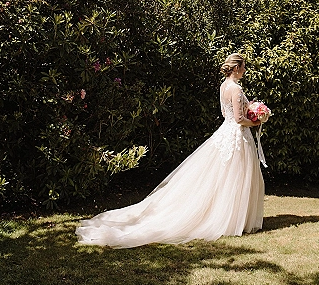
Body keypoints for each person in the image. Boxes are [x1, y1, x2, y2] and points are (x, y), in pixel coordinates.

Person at [75, 53, 265, 248]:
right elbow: (238, 119)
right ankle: (231, 220)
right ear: (235, 68)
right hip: (236, 135)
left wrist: (253, 110)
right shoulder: (235, 88)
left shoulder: (223, 86)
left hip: (226, 133)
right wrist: (256, 121)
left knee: (227, 177)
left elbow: (227, 114)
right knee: (235, 176)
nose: (244, 70)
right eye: (242, 67)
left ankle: (232, 217)